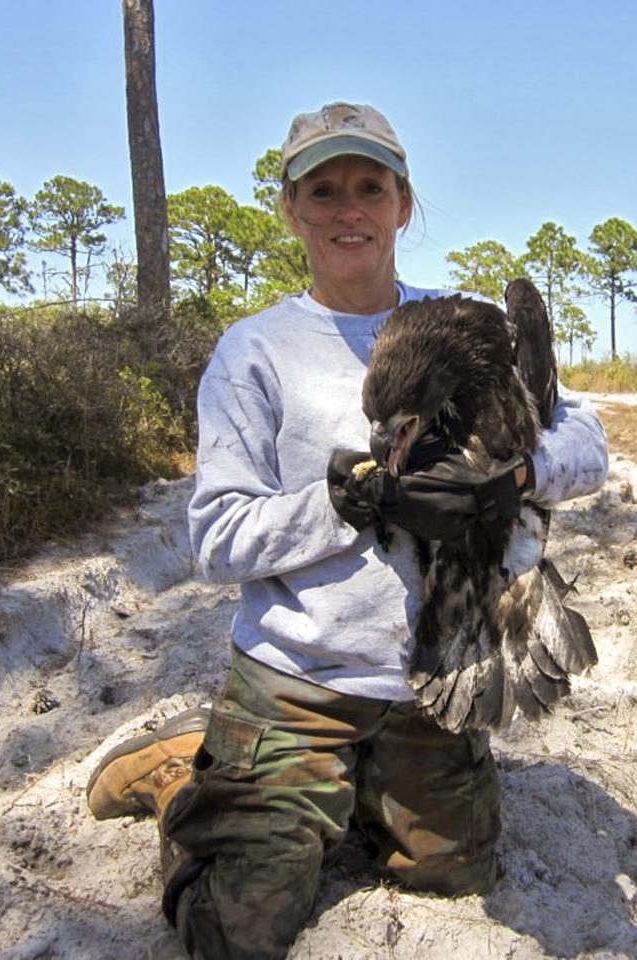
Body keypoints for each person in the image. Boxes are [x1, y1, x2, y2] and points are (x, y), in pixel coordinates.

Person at [86, 101, 609, 959]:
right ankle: (186, 772)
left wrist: (508, 482)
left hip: (432, 678)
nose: (348, 209)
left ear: (404, 203)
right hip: (300, 680)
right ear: (291, 209)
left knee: (452, 873)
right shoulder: (254, 353)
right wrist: (345, 505)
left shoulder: (471, 323)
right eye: (323, 190)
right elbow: (214, 540)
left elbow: (587, 444)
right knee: (237, 932)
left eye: (370, 187)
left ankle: (361, 782)